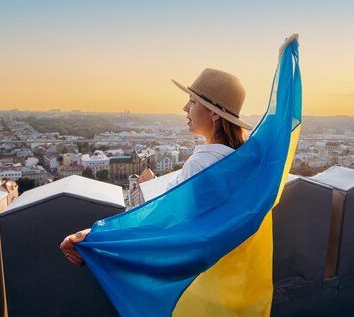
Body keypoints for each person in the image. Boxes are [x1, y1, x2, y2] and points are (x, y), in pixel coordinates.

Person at [60, 38, 294, 265]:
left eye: (192, 101)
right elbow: (277, 128)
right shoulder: (245, 159)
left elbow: (160, 221)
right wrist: (285, 66)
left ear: (214, 113)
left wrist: (94, 237)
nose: (185, 107)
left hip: (205, 277)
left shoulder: (201, 165)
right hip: (236, 270)